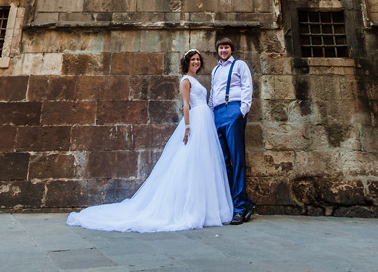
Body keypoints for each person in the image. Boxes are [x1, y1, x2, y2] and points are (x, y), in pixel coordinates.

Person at [66, 50, 233, 232]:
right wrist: (187, 127)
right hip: (195, 120)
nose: (196, 62)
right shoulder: (185, 80)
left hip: (205, 120)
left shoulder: (196, 80)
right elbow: (185, 104)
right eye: (193, 60)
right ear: (187, 62)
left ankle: (207, 207)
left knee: (204, 162)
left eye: (198, 60)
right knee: (189, 160)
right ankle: (189, 208)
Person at [208, 37, 256, 225]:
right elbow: (213, 92)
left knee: (237, 160)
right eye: (221, 48)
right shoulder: (215, 70)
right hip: (218, 113)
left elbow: (247, 86)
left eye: (226, 47)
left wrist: (242, 111)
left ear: (231, 49)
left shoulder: (239, 65)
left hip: (233, 110)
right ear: (217, 50)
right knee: (224, 161)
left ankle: (240, 209)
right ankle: (240, 202)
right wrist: (211, 111)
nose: (223, 50)